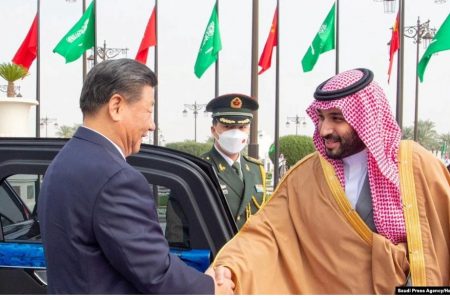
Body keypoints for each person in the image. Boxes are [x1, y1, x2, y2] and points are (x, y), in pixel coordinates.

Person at [212, 68, 450, 294]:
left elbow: (439, 241)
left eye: (337, 118)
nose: (325, 129)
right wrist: (230, 265)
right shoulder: (307, 175)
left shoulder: (415, 165)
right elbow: (266, 232)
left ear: (365, 118)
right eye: (322, 117)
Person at [37, 58, 233, 294]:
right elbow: (155, 273)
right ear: (116, 106)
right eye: (148, 111)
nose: (152, 126)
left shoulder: (64, 162)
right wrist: (212, 288)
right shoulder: (116, 178)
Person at [165, 94, 268, 247]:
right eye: (228, 127)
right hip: (212, 262)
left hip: (249, 261)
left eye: (241, 127)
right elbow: (177, 232)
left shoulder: (256, 169)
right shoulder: (197, 169)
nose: (235, 133)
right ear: (214, 130)